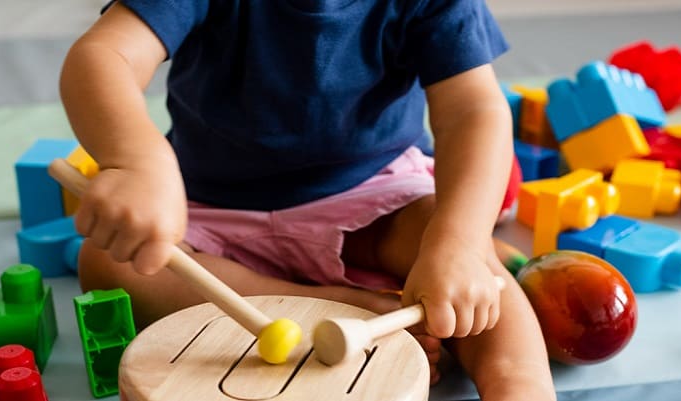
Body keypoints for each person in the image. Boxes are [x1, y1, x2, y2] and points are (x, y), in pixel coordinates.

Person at [59, 1, 555, 399]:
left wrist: (460, 243)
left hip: (373, 194)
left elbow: (472, 112)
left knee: (463, 253)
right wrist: (139, 163)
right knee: (108, 261)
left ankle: (519, 384)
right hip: (209, 206)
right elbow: (105, 55)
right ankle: (343, 307)